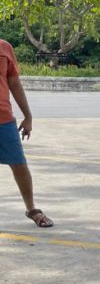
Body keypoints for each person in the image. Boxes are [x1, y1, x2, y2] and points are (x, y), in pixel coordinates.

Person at [0, 39, 52, 228]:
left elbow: (14, 83)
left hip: (4, 119)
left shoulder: (4, 48)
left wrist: (28, 116)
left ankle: (32, 210)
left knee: (19, 164)